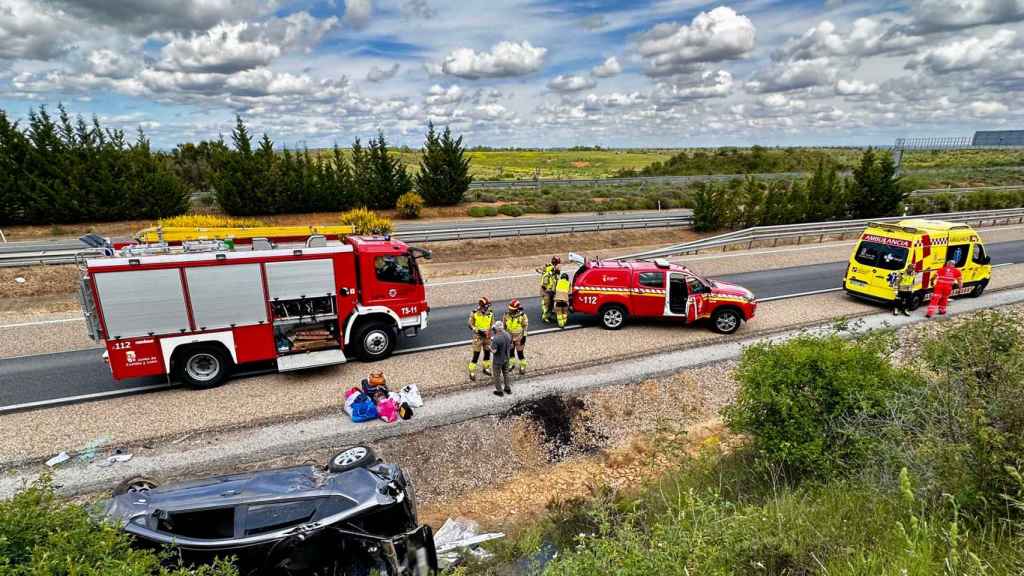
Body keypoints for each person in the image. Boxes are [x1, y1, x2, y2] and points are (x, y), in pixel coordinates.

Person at [467, 297, 495, 380]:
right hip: (478, 337)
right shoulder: (474, 313)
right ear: (482, 306)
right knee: (476, 355)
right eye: (486, 306)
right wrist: (478, 331)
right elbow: (470, 325)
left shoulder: (490, 313)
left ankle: (486, 368)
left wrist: (491, 331)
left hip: (487, 337)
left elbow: (492, 323)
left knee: (487, 353)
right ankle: (472, 371)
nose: (488, 307)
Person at [503, 299, 529, 375]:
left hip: (519, 337)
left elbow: (525, 327)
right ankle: (512, 364)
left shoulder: (522, 316)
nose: (510, 310)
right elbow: (504, 326)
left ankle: (522, 365)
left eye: (512, 309)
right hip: (509, 337)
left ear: (517, 309)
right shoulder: (506, 315)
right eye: (510, 309)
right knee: (511, 352)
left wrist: (524, 337)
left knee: (520, 352)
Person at [490, 321, 513, 396]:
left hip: (498, 360)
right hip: (507, 357)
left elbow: (494, 351)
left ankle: (499, 391)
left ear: (496, 329)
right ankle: (507, 388)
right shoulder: (508, 335)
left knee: (497, 375)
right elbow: (511, 345)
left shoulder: (496, 339)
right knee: (506, 373)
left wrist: (489, 347)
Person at [537, 256, 560, 323]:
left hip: (551, 290)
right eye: (557, 263)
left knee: (551, 304)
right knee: (546, 304)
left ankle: (549, 314)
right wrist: (545, 288)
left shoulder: (552, 270)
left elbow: (554, 278)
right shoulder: (549, 269)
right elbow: (545, 278)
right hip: (547, 291)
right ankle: (545, 317)